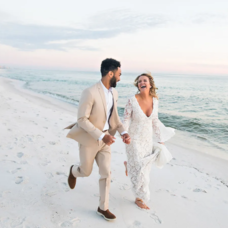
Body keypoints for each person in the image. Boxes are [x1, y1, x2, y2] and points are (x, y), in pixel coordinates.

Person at [64, 58, 131, 221]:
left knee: (106, 172)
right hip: (89, 139)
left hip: (106, 141)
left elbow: (114, 118)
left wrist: (123, 132)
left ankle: (103, 207)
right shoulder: (90, 92)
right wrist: (101, 135)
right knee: (85, 172)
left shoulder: (114, 93)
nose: (120, 78)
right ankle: (74, 170)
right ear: (110, 73)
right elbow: (81, 119)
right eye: (119, 74)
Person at [122, 73, 164, 210]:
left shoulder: (155, 101)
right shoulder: (132, 100)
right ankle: (139, 197)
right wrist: (125, 133)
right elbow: (126, 119)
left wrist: (160, 140)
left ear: (150, 84)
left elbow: (155, 121)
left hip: (147, 139)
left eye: (144, 80)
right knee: (139, 168)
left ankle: (129, 165)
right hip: (133, 139)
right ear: (138, 85)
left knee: (145, 169)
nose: (141, 82)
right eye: (139, 81)